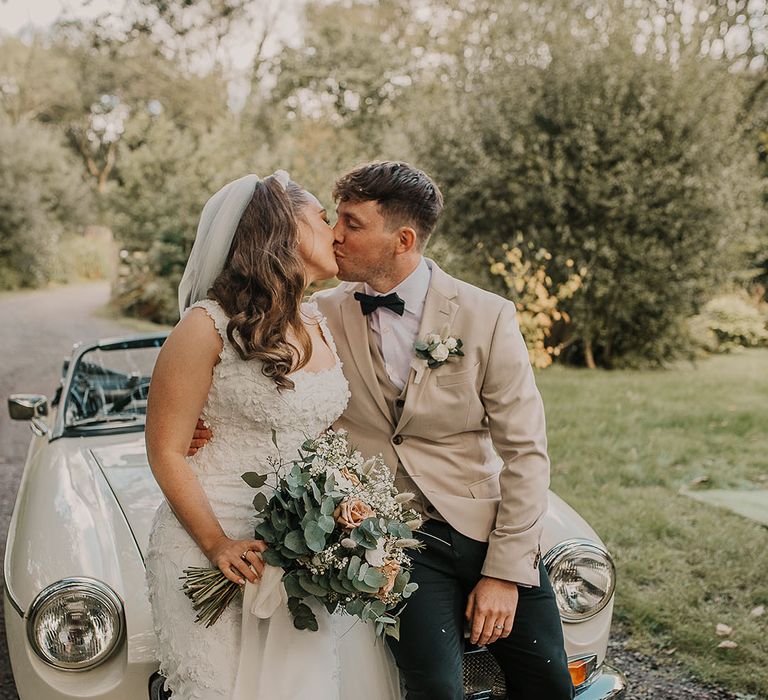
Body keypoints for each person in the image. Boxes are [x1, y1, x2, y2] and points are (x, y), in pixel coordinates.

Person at [193, 161, 574, 699]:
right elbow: (226, 363)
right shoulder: (316, 315)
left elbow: (527, 453)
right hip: (392, 543)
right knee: (435, 688)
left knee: (550, 683)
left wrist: (506, 574)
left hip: (485, 524)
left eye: (351, 222)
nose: (334, 234)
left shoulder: (488, 316)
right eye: (334, 218)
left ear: (402, 239)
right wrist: (201, 428)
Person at [144, 171, 400, 700]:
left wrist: (357, 517)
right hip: (211, 541)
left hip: (300, 550)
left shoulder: (318, 322)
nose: (335, 231)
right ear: (282, 232)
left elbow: (322, 437)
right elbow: (166, 450)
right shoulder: (204, 327)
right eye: (322, 219)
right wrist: (216, 543)